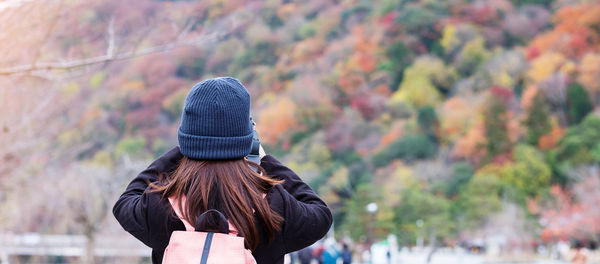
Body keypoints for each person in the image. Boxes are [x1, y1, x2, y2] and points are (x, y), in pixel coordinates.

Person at [112, 77, 333, 264]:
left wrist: (185, 148)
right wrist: (264, 158)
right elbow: (320, 215)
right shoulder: (273, 207)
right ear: (247, 137)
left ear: (187, 136)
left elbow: (124, 203)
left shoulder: (159, 205)